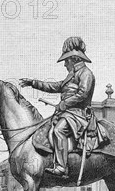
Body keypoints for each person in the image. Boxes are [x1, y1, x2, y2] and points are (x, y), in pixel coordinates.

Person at [20, 37, 96, 178]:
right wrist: (33, 83)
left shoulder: (86, 73)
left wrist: (63, 104)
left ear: (74, 59)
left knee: (58, 130)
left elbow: (82, 94)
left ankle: (62, 167)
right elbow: (55, 86)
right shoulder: (71, 75)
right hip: (68, 113)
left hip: (78, 114)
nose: (65, 64)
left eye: (66, 61)